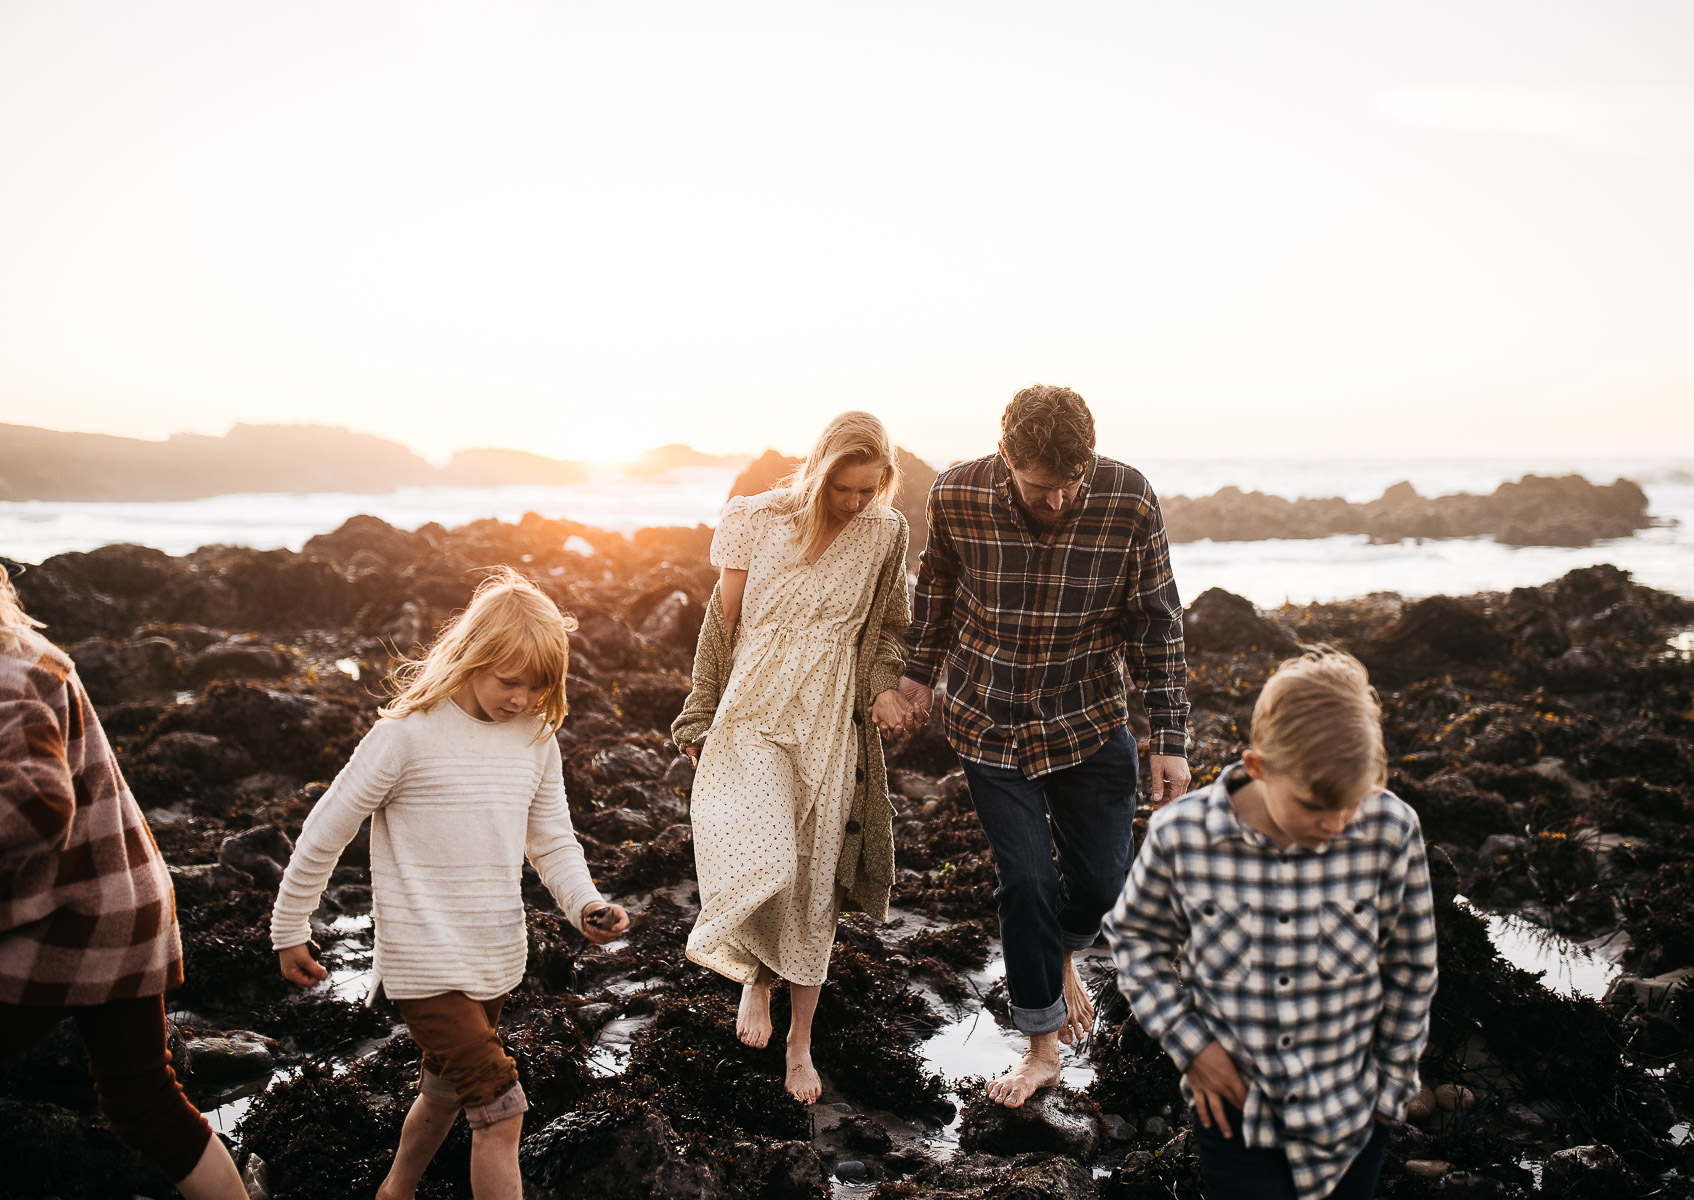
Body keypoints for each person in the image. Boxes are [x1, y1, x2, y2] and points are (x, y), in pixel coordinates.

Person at [269, 568, 628, 1200]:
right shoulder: (407, 735)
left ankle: (395, 1191)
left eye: (537, 685)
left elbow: (550, 841)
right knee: (502, 1109)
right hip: (422, 960)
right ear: (470, 656)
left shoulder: (536, 739)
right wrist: (291, 926)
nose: (520, 698)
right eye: (507, 681)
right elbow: (328, 828)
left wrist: (585, 904)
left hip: (492, 954)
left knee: (440, 1092)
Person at [896, 383, 1191, 1107]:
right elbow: (935, 586)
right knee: (1023, 882)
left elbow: (1157, 621)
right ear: (1004, 457)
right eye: (1040, 486)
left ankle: (1059, 954)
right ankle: (1039, 1049)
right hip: (988, 720)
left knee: (1099, 888)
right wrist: (915, 678)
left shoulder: (1127, 497)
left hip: (1088, 720)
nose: (1058, 500)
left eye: (1070, 484)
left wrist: (1169, 737)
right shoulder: (957, 493)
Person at [0, 523, 249, 1200]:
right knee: (142, 1101)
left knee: (141, 1100)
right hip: (117, 904)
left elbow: (33, 802)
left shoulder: (0, 675)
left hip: (66, 919)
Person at [1104, 648, 1437, 1200]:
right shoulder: (1182, 835)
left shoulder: (1391, 829)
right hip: (1234, 1114)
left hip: (1352, 1113)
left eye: (1350, 805)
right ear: (1257, 767)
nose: (1335, 825)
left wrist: (1392, 1090)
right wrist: (1193, 1048)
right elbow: (1135, 943)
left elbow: (1412, 967)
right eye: (1313, 806)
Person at [671, 410, 916, 1105]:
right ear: (818, 472)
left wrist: (880, 692)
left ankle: (797, 1043)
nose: (855, 502)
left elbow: (890, 628)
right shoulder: (752, 517)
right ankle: (753, 973)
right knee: (765, 856)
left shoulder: (885, 533)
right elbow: (719, 629)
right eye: (844, 488)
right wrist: (699, 708)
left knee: (812, 884)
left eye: (869, 489)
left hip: (828, 721)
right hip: (751, 710)